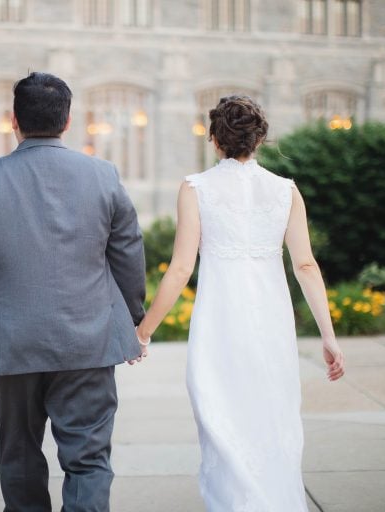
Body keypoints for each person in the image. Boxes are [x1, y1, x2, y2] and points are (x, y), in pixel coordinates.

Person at [0, 72, 147, 511]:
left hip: (13, 344)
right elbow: (128, 254)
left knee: (19, 458)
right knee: (88, 461)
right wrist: (133, 321)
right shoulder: (103, 175)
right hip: (89, 340)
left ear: (14, 121)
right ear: (68, 121)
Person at [135, 96, 345, 511]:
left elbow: (179, 270)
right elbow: (305, 265)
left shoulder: (196, 188)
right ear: (260, 138)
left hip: (220, 324)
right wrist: (329, 336)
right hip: (272, 325)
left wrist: (143, 332)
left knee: (222, 420)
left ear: (214, 140)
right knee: (274, 420)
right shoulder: (286, 191)